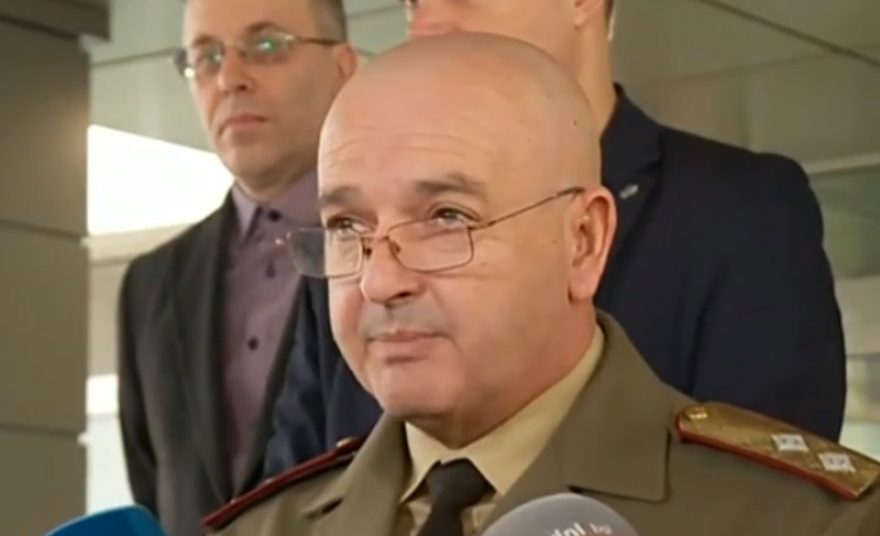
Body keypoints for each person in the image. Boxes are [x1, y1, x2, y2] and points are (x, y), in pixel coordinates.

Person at [205, 34, 880, 536]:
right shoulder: (262, 529)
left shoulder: (810, 522)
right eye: (347, 226)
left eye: (447, 218)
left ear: (583, 241)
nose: (381, 279)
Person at [115, 1, 357, 535]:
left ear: (343, 66)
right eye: (205, 57)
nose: (229, 79)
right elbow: (154, 490)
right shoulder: (151, 285)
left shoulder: (398, 244)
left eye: (266, 46)